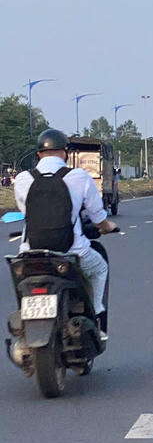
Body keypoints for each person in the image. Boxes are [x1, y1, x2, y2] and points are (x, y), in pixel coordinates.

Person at [13, 129, 119, 336]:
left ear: (38, 154)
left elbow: (28, 212)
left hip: (30, 253)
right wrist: (107, 227)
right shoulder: (78, 176)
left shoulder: (23, 179)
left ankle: (23, 318)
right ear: (65, 152)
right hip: (71, 253)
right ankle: (97, 313)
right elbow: (98, 216)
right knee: (99, 269)